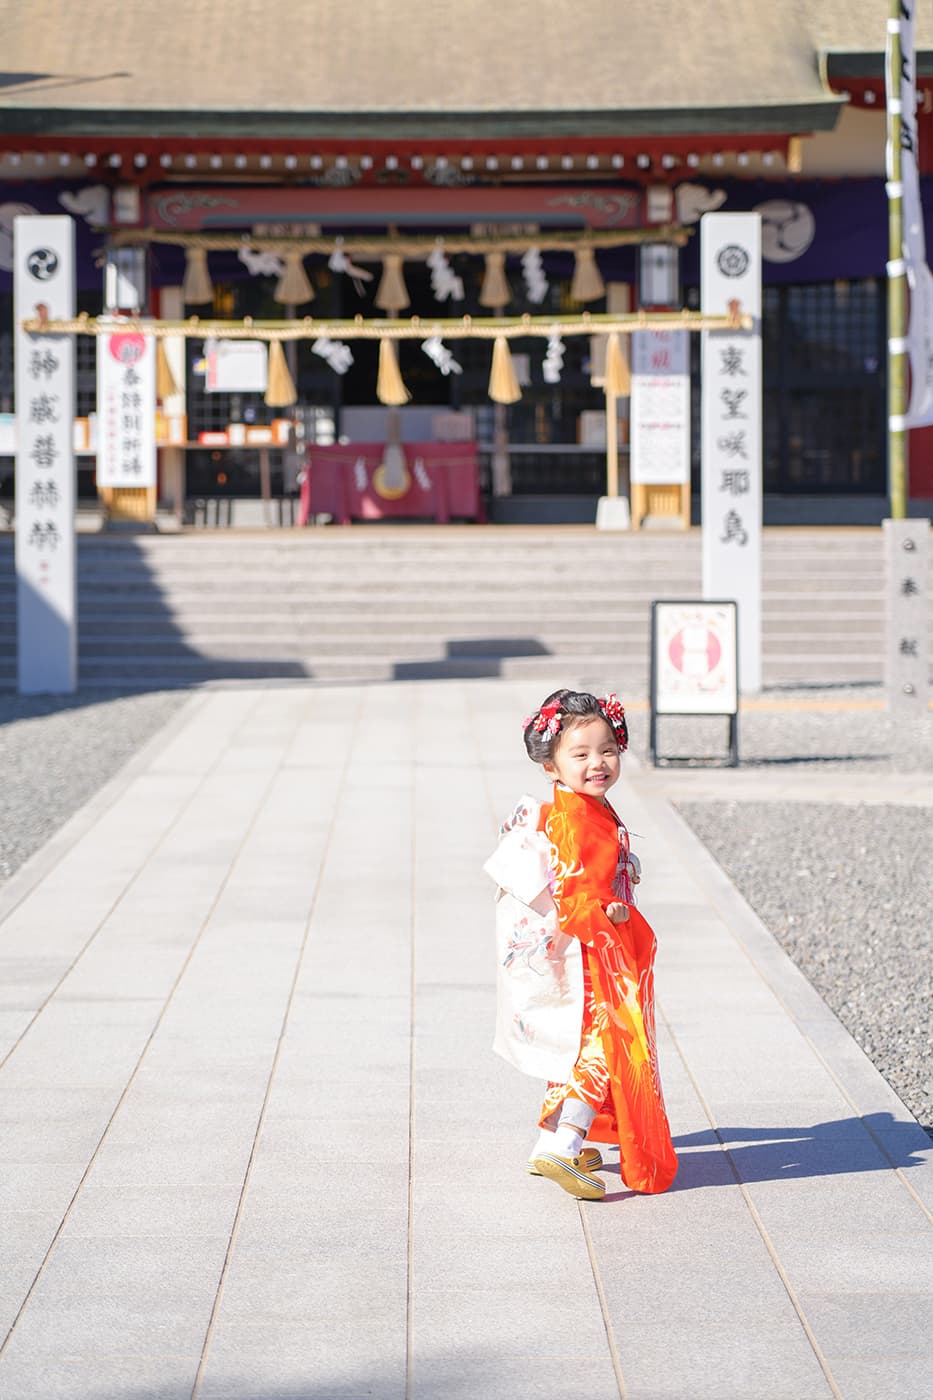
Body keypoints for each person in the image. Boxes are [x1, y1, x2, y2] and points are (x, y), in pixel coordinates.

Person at [485, 689, 677, 1202]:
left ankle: (550, 1140)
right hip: (594, 950)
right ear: (550, 764)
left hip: (585, 943)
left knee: (576, 1049)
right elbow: (576, 888)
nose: (598, 763)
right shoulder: (576, 817)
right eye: (581, 754)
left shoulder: (579, 808)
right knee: (601, 1046)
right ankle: (565, 1143)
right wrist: (608, 911)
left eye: (607, 750)